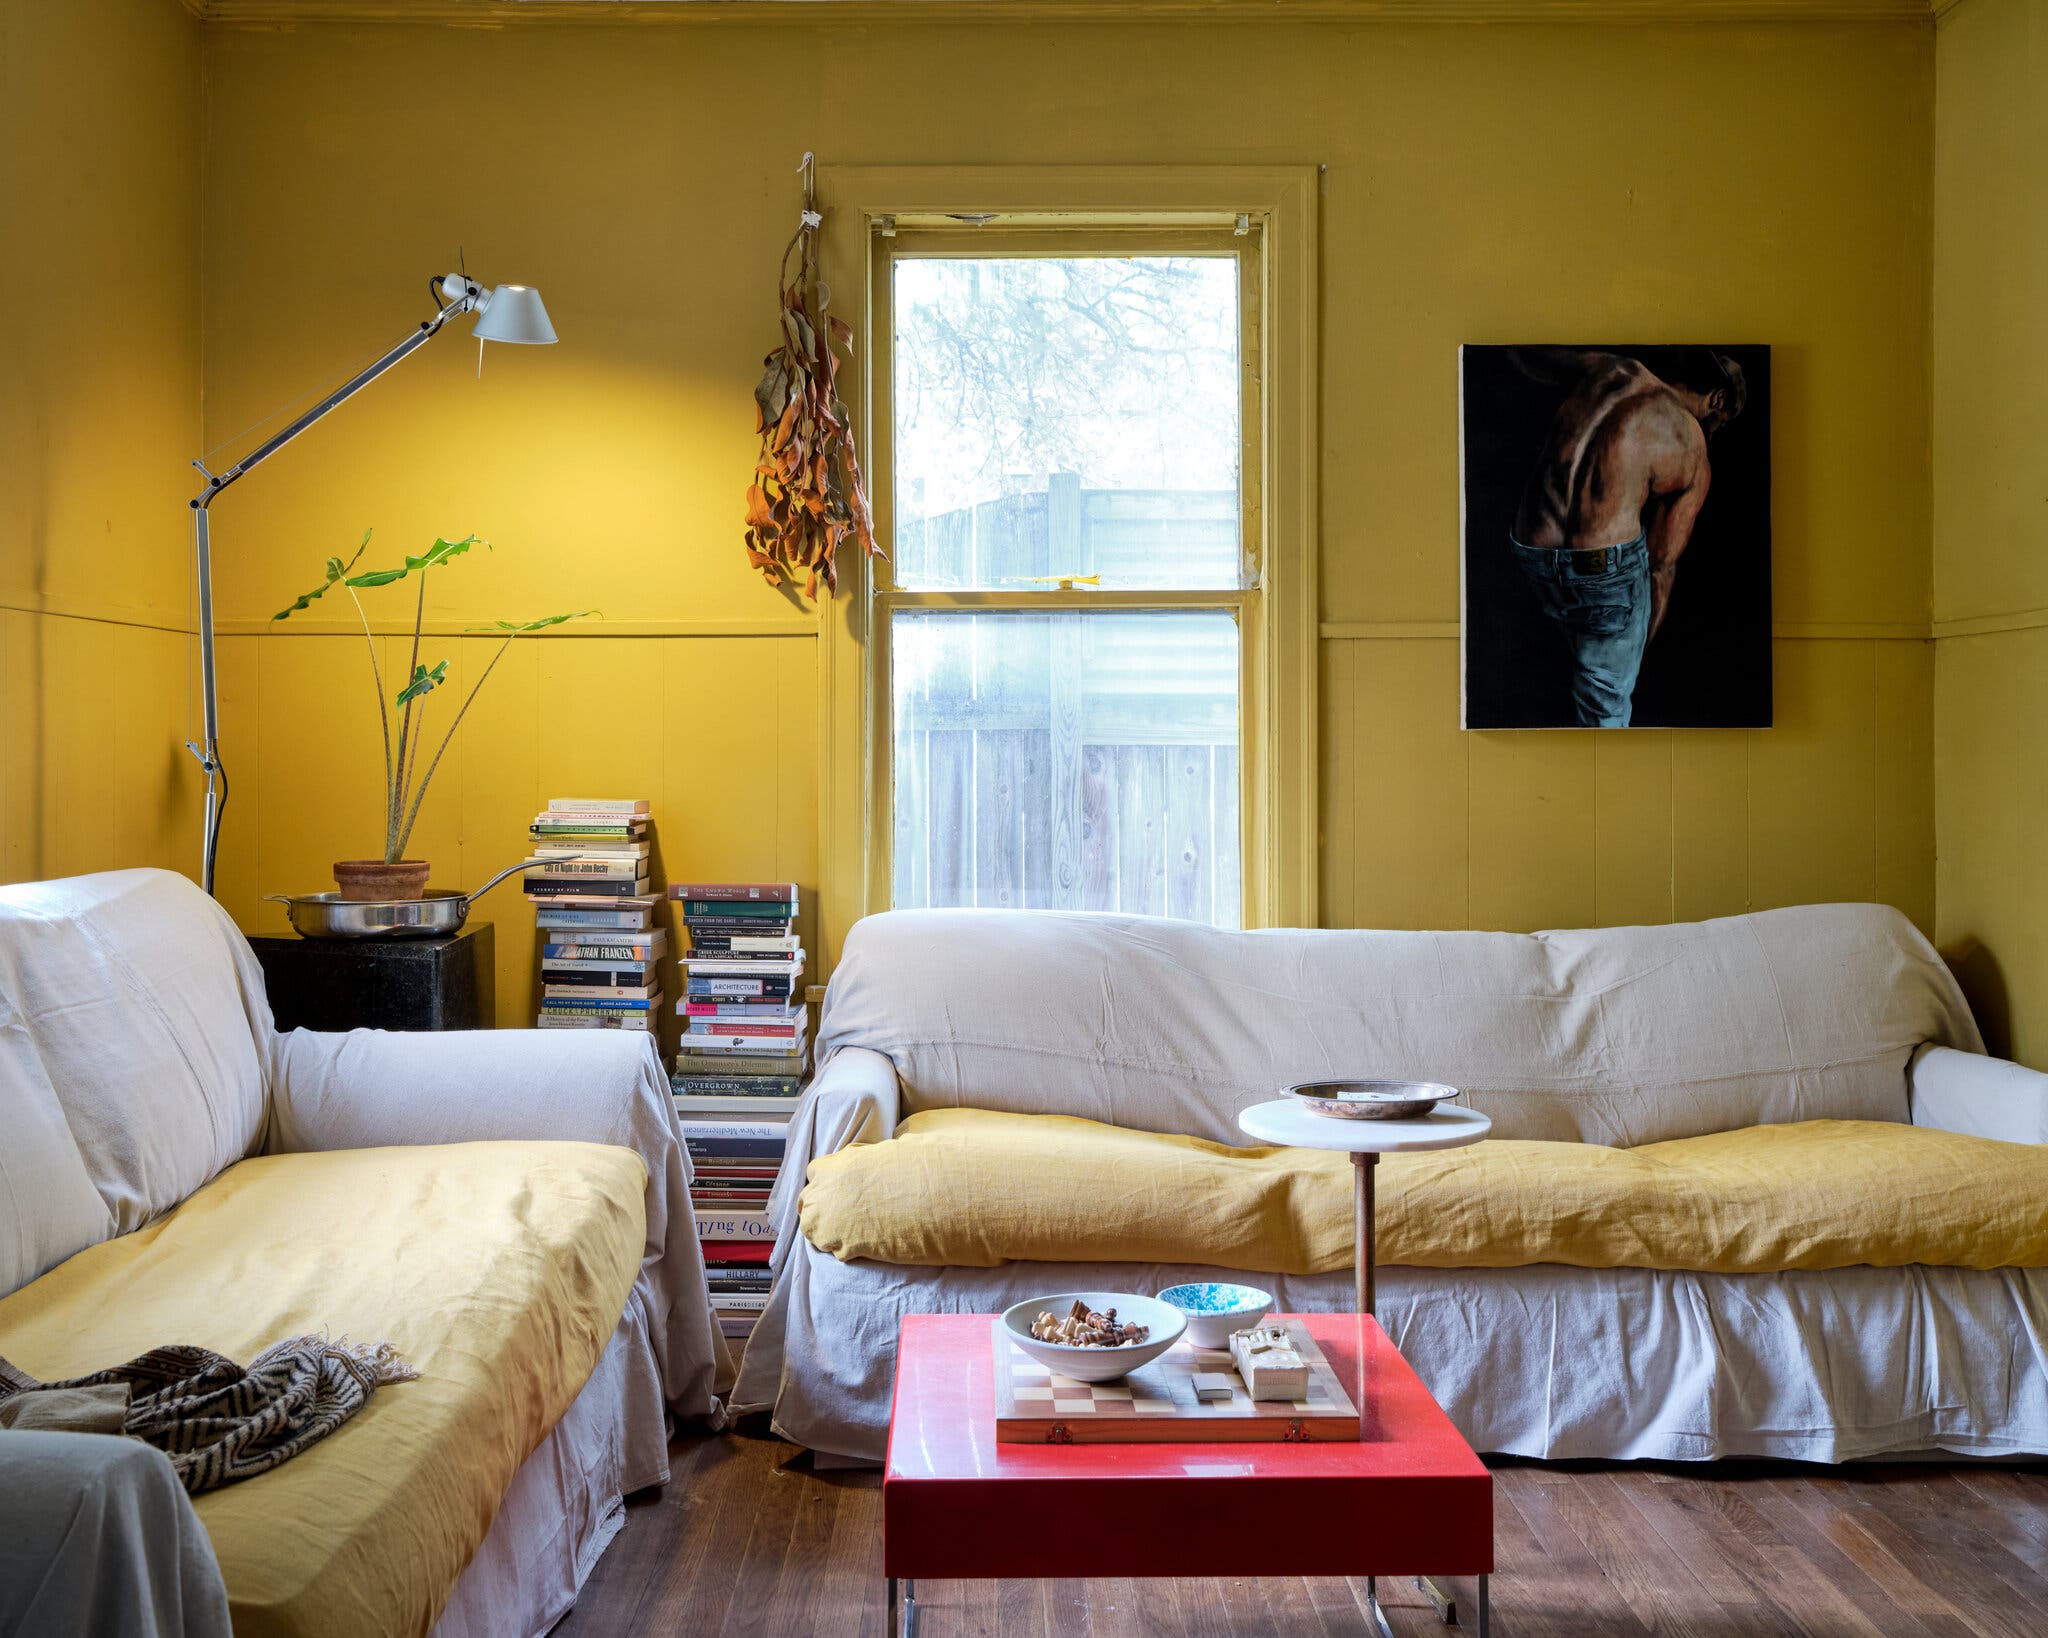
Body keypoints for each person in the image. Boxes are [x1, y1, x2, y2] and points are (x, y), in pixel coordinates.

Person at [1504, 347, 1745, 727]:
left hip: (1530, 551)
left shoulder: (1612, 368)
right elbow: (1662, 563)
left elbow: (1530, 357)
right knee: (1605, 705)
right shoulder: (1693, 444)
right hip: (1604, 575)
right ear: (1718, 399)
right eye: (1723, 419)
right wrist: (1631, 650)